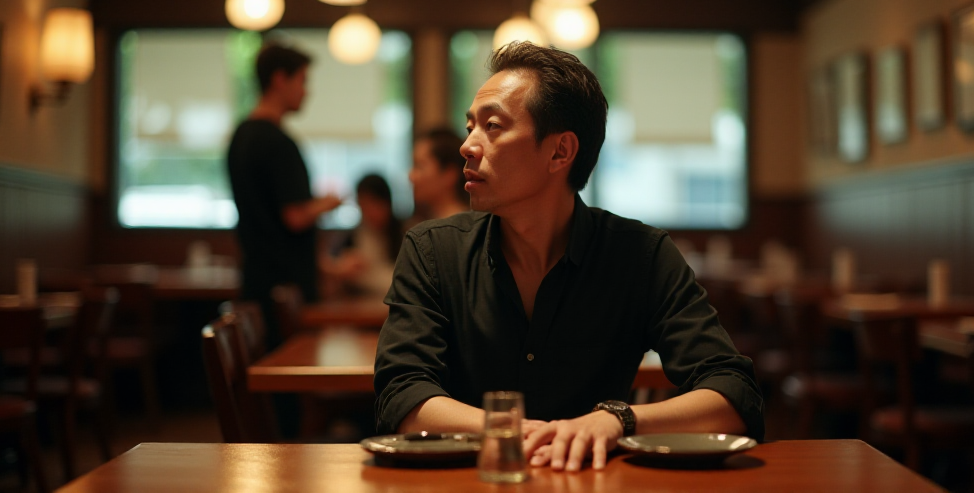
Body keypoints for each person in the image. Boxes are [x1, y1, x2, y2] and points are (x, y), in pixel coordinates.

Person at [373, 41, 763, 473]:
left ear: (560, 152)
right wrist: (512, 430)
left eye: (493, 126)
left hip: (592, 478)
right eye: (470, 127)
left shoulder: (640, 255)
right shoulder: (431, 250)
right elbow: (402, 392)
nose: (468, 145)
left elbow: (733, 392)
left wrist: (617, 420)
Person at [226, 42, 341, 350]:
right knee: (290, 371)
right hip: (285, 284)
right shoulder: (277, 142)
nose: (307, 91)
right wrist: (328, 203)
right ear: (280, 79)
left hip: (254, 276)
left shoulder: (240, 136)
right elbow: (294, 216)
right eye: (302, 80)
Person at [322, 174, 403, 299]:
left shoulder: (406, 232)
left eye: (373, 204)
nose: (368, 212)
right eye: (363, 205)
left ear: (386, 202)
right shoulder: (352, 236)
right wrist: (342, 269)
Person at [407, 127, 469, 225]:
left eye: (419, 166)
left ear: (450, 173)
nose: (411, 176)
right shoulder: (427, 223)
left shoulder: (461, 229)